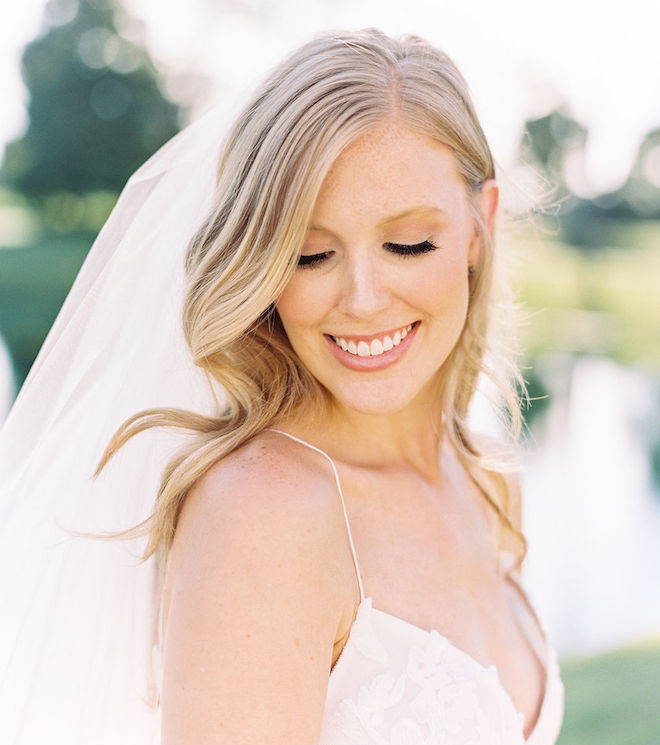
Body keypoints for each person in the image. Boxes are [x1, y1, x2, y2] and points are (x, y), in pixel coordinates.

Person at [0, 29, 563, 745]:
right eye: (311, 254)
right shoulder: (265, 511)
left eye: (408, 244)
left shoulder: (489, 483)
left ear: (480, 227)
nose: (361, 299)